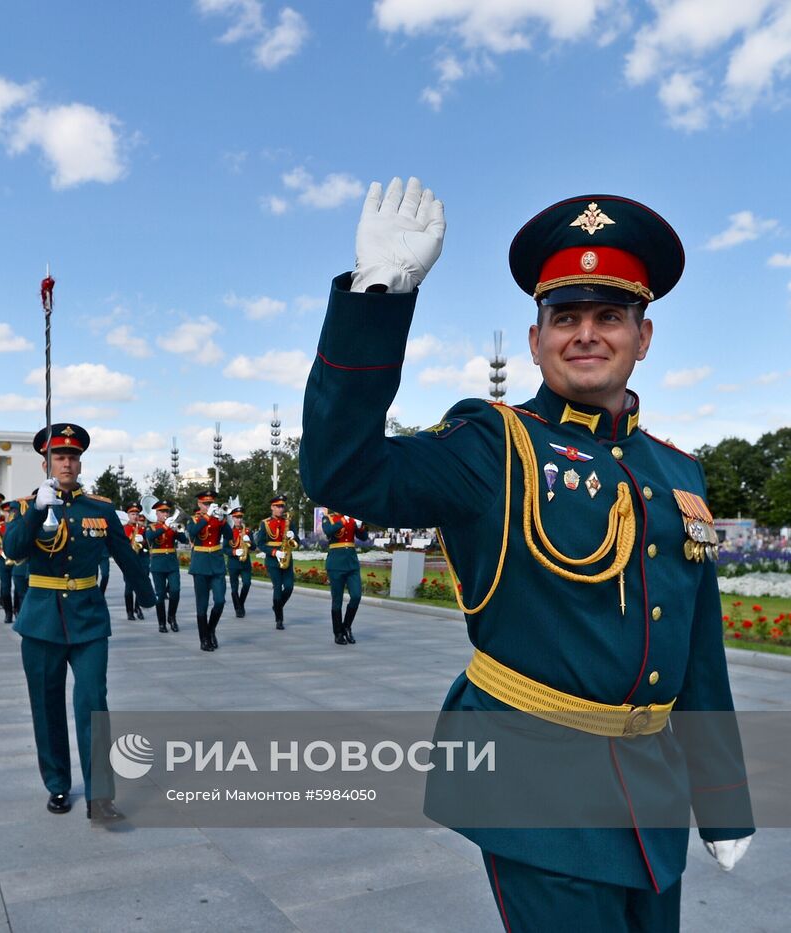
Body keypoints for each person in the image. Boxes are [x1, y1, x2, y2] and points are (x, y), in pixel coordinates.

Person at [298, 177, 753, 929]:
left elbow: (700, 649)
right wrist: (375, 300)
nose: (586, 333)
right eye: (564, 315)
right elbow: (342, 469)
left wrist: (724, 802)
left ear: (643, 337)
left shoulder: (679, 474)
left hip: (653, 794)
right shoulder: (493, 446)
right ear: (537, 338)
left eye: (610, 315)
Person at [3, 424, 156, 821]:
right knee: (46, 705)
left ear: (80, 462)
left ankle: (100, 795)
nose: (67, 463)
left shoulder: (100, 510)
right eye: (59, 457)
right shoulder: (25, 508)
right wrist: (38, 510)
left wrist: (147, 594)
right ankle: (57, 784)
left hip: (88, 619)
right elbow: (13, 549)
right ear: (46, 464)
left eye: (72, 457)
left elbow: (124, 554)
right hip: (40, 622)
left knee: (93, 704)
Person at [186, 491, 228, 651]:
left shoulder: (217, 520)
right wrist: (207, 517)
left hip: (216, 565)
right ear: (199, 504)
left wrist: (223, 520)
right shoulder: (194, 519)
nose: (209, 506)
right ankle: (204, 639)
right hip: (200, 565)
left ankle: (211, 630)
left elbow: (229, 536)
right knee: (202, 605)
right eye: (206, 504)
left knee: (220, 601)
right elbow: (193, 533)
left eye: (211, 503)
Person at [321, 510, 367, 644]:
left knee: (357, 595)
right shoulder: (328, 518)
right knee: (337, 600)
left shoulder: (352, 518)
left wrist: (360, 525)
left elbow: (363, 537)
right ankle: (338, 633)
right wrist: (343, 520)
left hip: (351, 563)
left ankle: (346, 626)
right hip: (336, 564)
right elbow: (328, 531)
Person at [253, 496, 295, 630]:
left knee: (289, 587)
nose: (280, 509)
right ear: (272, 507)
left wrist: (293, 537)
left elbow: (296, 541)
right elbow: (260, 543)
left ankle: (277, 606)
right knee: (277, 587)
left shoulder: (288, 521)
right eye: (277, 506)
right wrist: (274, 553)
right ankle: (279, 619)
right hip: (273, 559)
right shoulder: (265, 523)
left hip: (287, 556)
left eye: (282, 506)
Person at [143, 501, 183, 633]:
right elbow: (149, 537)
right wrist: (165, 527)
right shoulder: (152, 527)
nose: (165, 514)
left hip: (171, 563)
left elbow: (184, 539)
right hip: (158, 564)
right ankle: (161, 622)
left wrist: (177, 528)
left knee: (175, 591)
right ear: (157, 513)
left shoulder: (172, 526)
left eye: (167, 512)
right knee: (160, 595)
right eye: (162, 512)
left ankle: (172, 617)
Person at [120, 503, 149, 621]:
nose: (135, 516)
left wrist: (142, 543)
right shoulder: (123, 528)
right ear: (128, 515)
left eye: (137, 514)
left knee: (140, 584)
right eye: (132, 514)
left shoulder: (142, 528)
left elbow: (148, 542)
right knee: (129, 587)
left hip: (141, 559)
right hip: (128, 560)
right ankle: (129, 611)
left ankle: (138, 607)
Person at [226, 505, 253, 619]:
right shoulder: (228, 532)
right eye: (236, 517)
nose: (239, 519)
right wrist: (234, 552)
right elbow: (224, 548)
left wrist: (249, 541)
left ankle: (240, 603)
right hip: (233, 563)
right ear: (233, 518)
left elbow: (254, 547)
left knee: (247, 584)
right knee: (234, 587)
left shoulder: (247, 531)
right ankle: (238, 609)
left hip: (245, 562)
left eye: (241, 517)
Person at [0, 499, 19, 624]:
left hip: (16, 560)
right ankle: (8, 612)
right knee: (5, 588)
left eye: (11, 512)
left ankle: (17, 610)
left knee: (18, 588)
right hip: (2, 560)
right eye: (6, 512)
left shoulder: (18, 525)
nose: (9, 514)